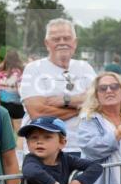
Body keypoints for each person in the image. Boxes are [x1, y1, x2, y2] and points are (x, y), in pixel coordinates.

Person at [19, 19, 96, 155]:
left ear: (75, 42)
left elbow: (98, 101)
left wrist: (66, 100)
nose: (62, 42)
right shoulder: (34, 69)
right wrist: (82, 106)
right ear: (47, 43)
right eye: (56, 39)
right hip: (45, 152)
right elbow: (38, 114)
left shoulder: (85, 68)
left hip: (83, 148)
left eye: (67, 38)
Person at [0, 50, 24, 135]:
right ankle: (19, 148)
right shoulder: (20, 73)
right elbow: (22, 90)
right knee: (19, 133)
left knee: (8, 133)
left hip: (3, 104)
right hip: (17, 105)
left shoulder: (0, 74)